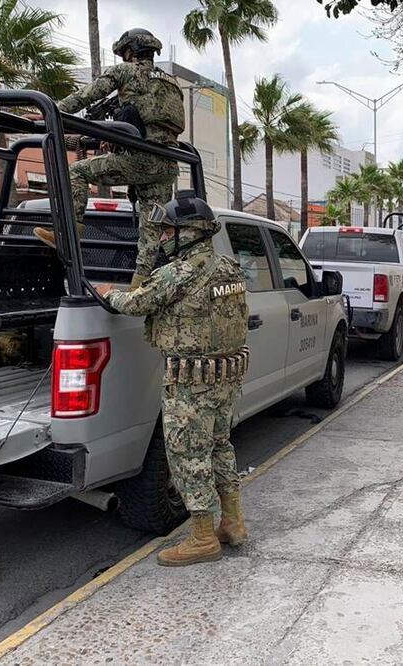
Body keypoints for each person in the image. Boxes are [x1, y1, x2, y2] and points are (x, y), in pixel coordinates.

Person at [95, 192, 250, 567]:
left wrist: (107, 293)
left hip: (191, 380)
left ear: (189, 233)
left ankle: (201, 538)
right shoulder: (229, 268)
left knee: (187, 454)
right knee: (219, 446)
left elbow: (136, 304)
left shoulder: (179, 273)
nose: (163, 239)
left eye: (167, 232)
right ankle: (232, 522)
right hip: (225, 375)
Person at [35, 28, 185, 288]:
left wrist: (50, 112)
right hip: (167, 165)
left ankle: (70, 232)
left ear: (130, 51)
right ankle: (140, 284)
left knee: (78, 172)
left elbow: (85, 95)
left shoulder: (126, 71)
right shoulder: (173, 84)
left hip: (139, 159)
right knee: (151, 229)